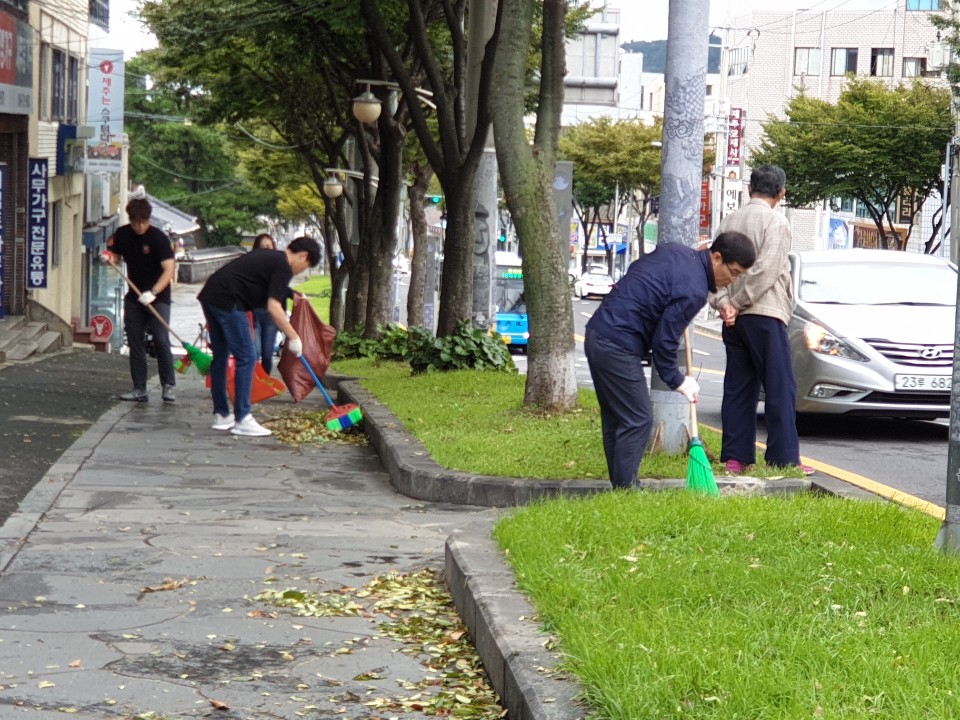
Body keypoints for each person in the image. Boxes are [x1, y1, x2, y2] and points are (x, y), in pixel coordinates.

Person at [585, 232, 756, 489]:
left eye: (739, 276)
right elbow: (664, 341)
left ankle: (620, 488)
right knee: (638, 419)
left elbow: (636, 269)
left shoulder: (675, 251)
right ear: (716, 257)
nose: (732, 281)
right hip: (618, 344)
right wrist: (678, 381)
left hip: (598, 332)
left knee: (618, 419)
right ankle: (627, 489)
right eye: (732, 272)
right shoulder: (694, 289)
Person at [711, 165, 812, 476]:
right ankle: (783, 458)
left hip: (733, 320)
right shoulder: (777, 222)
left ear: (749, 188)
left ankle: (735, 457)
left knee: (739, 386)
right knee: (780, 386)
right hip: (765, 314)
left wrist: (725, 304)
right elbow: (765, 271)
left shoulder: (729, 220)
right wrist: (740, 304)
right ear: (781, 193)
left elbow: (714, 266)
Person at [198, 236, 320, 437]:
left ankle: (222, 415)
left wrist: (290, 293)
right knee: (246, 357)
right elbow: (274, 307)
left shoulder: (271, 257)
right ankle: (243, 418)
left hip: (211, 295)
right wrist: (294, 337)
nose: (301, 271)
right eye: (305, 266)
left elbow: (261, 282)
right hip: (229, 300)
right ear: (303, 256)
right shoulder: (284, 266)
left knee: (220, 356)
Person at [101, 197, 177, 404]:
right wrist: (109, 257)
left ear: (148, 219)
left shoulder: (158, 239)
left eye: (143, 222)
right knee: (135, 342)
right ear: (131, 220)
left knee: (161, 339)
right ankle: (139, 388)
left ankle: (168, 385)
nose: (140, 226)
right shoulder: (123, 234)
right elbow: (115, 256)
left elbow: (169, 270)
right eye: (136, 222)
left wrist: (153, 292)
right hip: (134, 298)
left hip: (158, 298)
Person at [250, 233, 283, 374]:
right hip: (254, 313)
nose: (266, 249)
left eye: (268, 247)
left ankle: (265, 383)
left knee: (268, 355)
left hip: (270, 316)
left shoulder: (278, 266)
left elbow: (282, 290)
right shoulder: (249, 266)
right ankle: (251, 384)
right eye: (262, 247)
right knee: (254, 352)